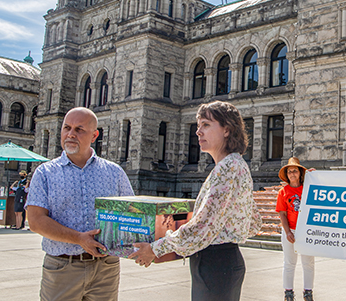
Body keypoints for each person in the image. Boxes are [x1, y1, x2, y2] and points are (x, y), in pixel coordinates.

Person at [130, 101, 262, 301]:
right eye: (198, 125)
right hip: (221, 262)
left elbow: (203, 226)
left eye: (206, 125)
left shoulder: (228, 168)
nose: (198, 132)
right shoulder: (234, 165)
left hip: (215, 264)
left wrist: (156, 248)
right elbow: (253, 222)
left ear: (227, 130)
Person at [26, 107, 134, 301]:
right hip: (62, 268)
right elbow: (35, 220)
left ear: (94, 135)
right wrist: (79, 238)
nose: (71, 134)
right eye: (67, 128)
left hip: (105, 269)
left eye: (79, 129)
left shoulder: (114, 173)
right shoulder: (45, 173)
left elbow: (132, 215)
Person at [276, 157, 316, 301]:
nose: (292, 174)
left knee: (308, 263)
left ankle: (308, 292)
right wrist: (287, 232)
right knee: (289, 263)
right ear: (287, 175)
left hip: (306, 231)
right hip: (290, 230)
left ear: (300, 173)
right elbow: (282, 213)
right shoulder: (283, 192)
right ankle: (288, 292)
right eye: (289, 172)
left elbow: (321, 189)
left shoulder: (307, 188)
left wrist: (315, 177)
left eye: (295, 171)